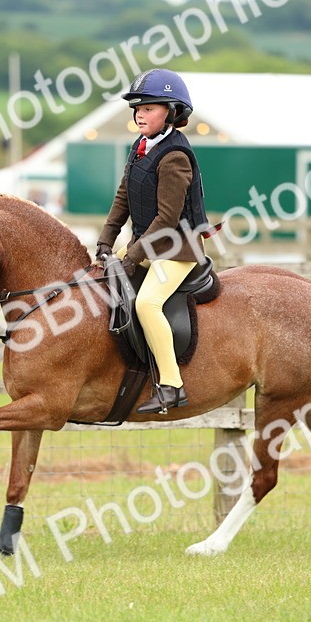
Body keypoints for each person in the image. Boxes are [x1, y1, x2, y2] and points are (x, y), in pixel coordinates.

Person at [95, 69, 209, 414]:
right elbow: (123, 197)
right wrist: (106, 241)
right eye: (137, 109)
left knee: (147, 304)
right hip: (148, 245)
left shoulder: (174, 157)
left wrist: (131, 256)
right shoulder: (141, 146)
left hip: (176, 250)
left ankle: (172, 385)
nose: (139, 115)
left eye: (149, 109)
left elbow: (167, 220)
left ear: (172, 113)